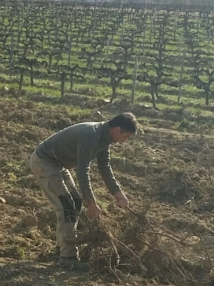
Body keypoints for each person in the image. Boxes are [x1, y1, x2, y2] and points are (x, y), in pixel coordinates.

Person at [29, 113, 138, 271]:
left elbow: (104, 167)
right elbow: (82, 171)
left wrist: (118, 192)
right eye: (126, 136)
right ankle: (68, 258)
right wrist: (91, 202)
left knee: (75, 202)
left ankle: (60, 249)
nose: (125, 141)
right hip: (45, 162)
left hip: (59, 165)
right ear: (117, 129)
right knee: (66, 205)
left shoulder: (104, 138)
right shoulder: (91, 135)